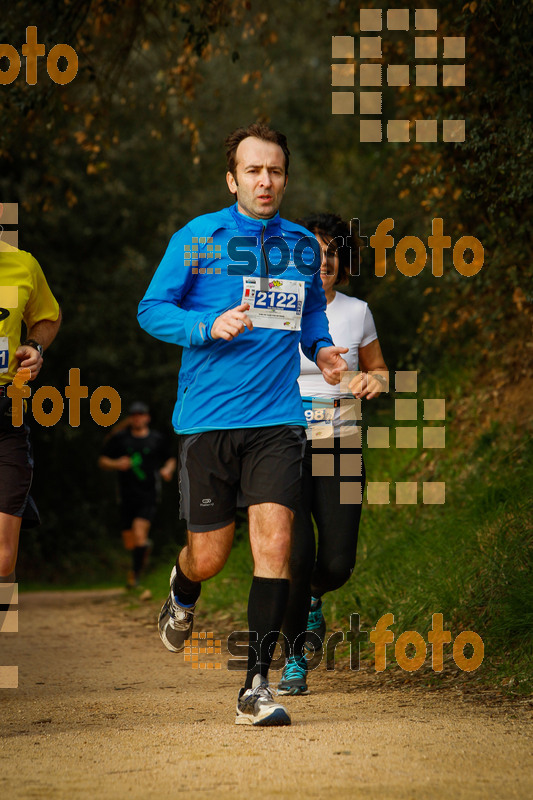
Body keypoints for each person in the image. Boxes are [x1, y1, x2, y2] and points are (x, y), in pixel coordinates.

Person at [137, 123, 350, 727]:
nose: (266, 181)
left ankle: (255, 685)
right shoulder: (197, 239)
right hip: (207, 421)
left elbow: (310, 317)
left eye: (276, 171)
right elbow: (151, 310)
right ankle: (183, 588)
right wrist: (207, 328)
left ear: (285, 177)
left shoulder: (303, 247)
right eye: (254, 171)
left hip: (277, 420)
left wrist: (326, 349)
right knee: (210, 556)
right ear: (233, 178)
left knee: (275, 546)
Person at [278, 213, 388, 695]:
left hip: (341, 444)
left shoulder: (357, 312)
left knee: (338, 562)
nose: (322, 260)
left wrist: (371, 380)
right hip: (281, 444)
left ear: (343, 261)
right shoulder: (277, 309)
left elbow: (380, 370)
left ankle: (316, 597)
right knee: (294, 556)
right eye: (312, 251)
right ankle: (293, 658)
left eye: (332, 252)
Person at [0, 237, 61, 590]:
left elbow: (48, 315)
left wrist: (35, 346)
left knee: (4, 558)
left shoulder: (23, 264)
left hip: (7, 411)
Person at [98, 402, 176, 588]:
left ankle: (135, 576)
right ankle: (142, 554)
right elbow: (102, 460)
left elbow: (170, 459)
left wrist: (167, 470)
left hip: (148, 494)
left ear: (147, 417)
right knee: (130, 541)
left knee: (139, 534)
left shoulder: (156, 439)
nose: (138, 418)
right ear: (131, 418)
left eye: (141, 414)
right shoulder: (121, 439)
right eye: (134, 415)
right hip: (126, 495)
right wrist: (117, 464)